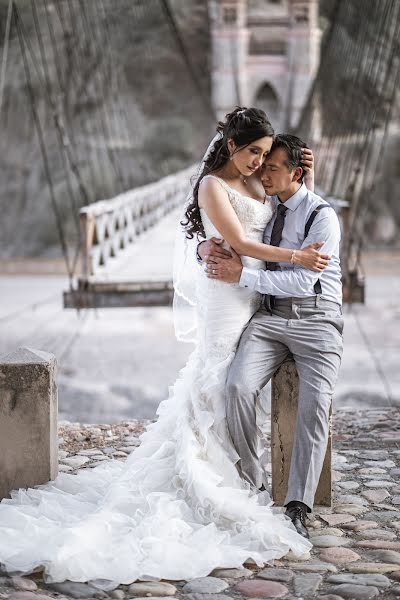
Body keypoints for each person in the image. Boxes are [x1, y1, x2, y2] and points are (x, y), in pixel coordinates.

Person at [0, 109, 327, 589]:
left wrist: (307, 177)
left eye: (264, 154)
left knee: (237, 376)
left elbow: (287, 208)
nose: (259, 162)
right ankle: (212, 472)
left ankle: (239, 467)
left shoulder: (258, 183)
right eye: (253, 152)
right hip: (227, 293)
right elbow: (234, 239)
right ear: (231, 146)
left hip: (254, 290)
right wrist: (295, 257)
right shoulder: (212, 186)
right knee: (217, 374)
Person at [199, 133, 343, 539]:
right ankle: (252, 479)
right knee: (238, 388)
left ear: (295, 173)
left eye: (271, 167)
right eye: (259, 164)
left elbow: (303, 281)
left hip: (317, 322)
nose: (261, 172)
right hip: (268, 319)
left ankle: (298, 503)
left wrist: (240, 275)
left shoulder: (323, 217)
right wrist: (204, 251)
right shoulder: (269, 201)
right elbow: (227, 228)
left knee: (316, 405)